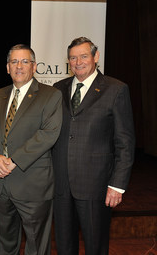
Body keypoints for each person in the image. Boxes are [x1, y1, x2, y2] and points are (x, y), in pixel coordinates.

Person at [52, 37, 135, 255]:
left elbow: (125, 143)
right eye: (72, 57)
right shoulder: (57, 89)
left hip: (95, 187)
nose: (77, 62)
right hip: (61, 187)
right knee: (64, 246)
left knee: (96, 247)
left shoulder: (116, 90)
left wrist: (117, 185)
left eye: (83, 56)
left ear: (96, 57)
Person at [0, 44, 62, 255]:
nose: (19, 66)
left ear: (34, 66)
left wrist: (13, 161)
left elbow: (48, 134)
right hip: (2, 185)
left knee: (37, 245)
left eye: (24, 61)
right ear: (7, 68)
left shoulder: (51, 95)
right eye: (14, 62)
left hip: (33, 186)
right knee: (6, 241)